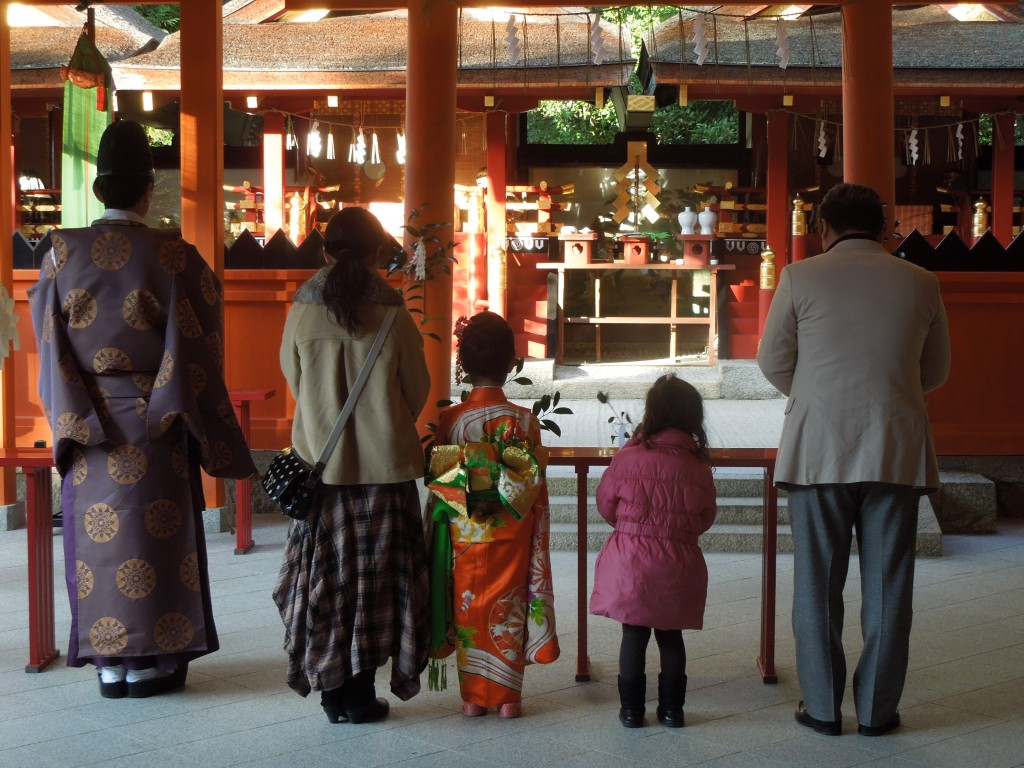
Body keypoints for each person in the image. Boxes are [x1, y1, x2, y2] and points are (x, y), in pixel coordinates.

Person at [28, 120, 257, 699]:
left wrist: (72, 412)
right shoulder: (173, 253)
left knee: (101, 547)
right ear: (146, 190)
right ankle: (152, 664)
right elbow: (198, 342)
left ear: (99, 187)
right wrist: (176, 407)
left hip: (89, 421)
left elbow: (49, 341)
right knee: (157, 542)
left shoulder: (58, 252)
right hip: (158, 416)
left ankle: (110, 667)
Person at [757, 182, 951, 737]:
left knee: (817, 583)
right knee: (890, 587)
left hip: (819, 448)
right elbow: (934, 372)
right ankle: (876, 711)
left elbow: (772, 361)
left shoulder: (801, 276)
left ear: (823, 227)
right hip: (895, 447)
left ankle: (821, 708)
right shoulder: (922, 281)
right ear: (886, 228)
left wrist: (817, 395)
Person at [272, 206, 431, 725]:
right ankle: (361, 695)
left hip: (323, 476)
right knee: (376, 586)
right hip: (384, 480)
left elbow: (295, 383)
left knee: (329, 584)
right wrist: (383, 425)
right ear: (376, 253)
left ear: (326, 252)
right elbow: (417, 391)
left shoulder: (302, 310)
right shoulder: (393, 312)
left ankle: (332, 695)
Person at [425, 311, 559, 719]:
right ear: (512, 363)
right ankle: (509, 699)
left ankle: (471, 699)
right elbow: (532, 489)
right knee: (509, 606)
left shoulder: (450, 421)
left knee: (468, 606)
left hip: (465, 534)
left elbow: (442, 489)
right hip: (511, 533)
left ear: (462, 364)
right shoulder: (524, 421)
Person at [590, 374, 717, 728]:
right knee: (670, 635)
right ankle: (673, 711)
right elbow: (705, 517)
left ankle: (631, 711)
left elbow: (606, 505)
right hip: (678, 564)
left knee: (633, 633)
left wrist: (633, 526)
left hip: (631, 561)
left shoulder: (629, 457)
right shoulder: (698, 466)